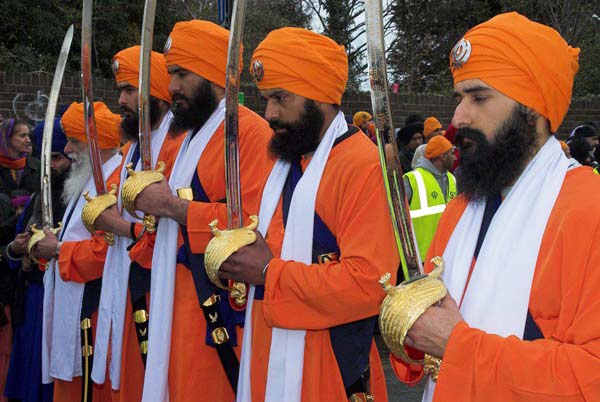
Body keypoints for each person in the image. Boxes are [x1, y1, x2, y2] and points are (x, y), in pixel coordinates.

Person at [390, 12, 600, 402]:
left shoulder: (589, 210)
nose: (458, 118)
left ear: (532, 109)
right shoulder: (464, 204)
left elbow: (590, 378)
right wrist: (406, 324)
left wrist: (458, 346)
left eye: (479, 98)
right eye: (459, 98)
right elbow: (425, 344)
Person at [218, 27, 399, 402]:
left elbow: (369, 285)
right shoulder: (285, 160)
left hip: (331, 371)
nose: (269, 113)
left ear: (320, 96)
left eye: (281, 98)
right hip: (264, 357)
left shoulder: (363, 165)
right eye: (267, 99)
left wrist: (269, 273)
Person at [131, 20, 273, 401]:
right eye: (170, 74)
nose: (171, 86)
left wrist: (174, 208)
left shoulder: (251, 134)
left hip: (217, 313)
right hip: (173, 303)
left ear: (213, 75)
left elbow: (259, 227)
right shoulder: (184, 138)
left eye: (181, 74)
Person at [88, 45, 184, 402]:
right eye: (120, 91)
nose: (121, 100)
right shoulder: (133, 148)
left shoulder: (179, 143)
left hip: (158, 285)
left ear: (157, 90)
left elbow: (167, 220)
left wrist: (121, 227)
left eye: (130, 90)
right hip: (127, 281)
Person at [32, 101, 122, 402]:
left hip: (91, 311)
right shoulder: (93, 176)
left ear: (96, 142)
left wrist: (58, 249)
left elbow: (106, 252)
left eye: (74, 140)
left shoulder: (113, 180)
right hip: (76, 303)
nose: (68, 149)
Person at [4, 115, 71, 402]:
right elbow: (15, 239)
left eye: (56, 158)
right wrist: (18, 251)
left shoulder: (80, 195)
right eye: (46, 159)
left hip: (63, 302)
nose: (51, 166)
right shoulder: (39, 194)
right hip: (32, 300)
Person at [403, 135, 456, 261]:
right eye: (452, 153)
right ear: (443, 156)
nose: (455, 157)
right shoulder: (411, 179)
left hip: (446, 255)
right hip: (420, 259)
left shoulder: (452, 179)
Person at [0, 118, 38, 199]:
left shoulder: (37, 166)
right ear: (7, 137)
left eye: (28, 135)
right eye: (22, 136)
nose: (28, 140)